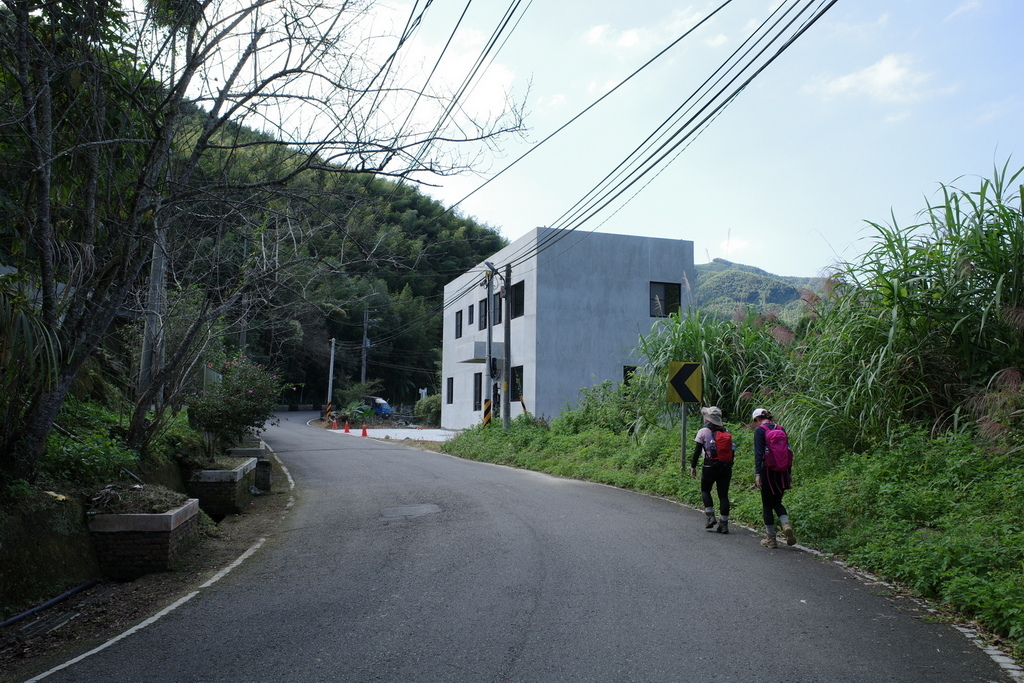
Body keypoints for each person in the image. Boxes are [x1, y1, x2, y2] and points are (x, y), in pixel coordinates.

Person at [752, 407, 796, 548]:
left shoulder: (760, 430)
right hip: (782, 470)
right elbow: (788, 452)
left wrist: (758, 474)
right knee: (777, 502)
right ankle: (785, 523)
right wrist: (788, 474)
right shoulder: (781, 428)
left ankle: (771, 539)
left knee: (767, 505)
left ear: (757, 419)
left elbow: (759, 454)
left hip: (768, 471)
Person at [690, 405, 732, 534]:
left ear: (708, 419)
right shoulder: (726, 432)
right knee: (723, 495)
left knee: (705, 490)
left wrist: (693, 466)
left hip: (709, 465)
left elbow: (697, 451)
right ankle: (724, 524)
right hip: (725, 466)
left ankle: (710, 517)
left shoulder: (703, 432)